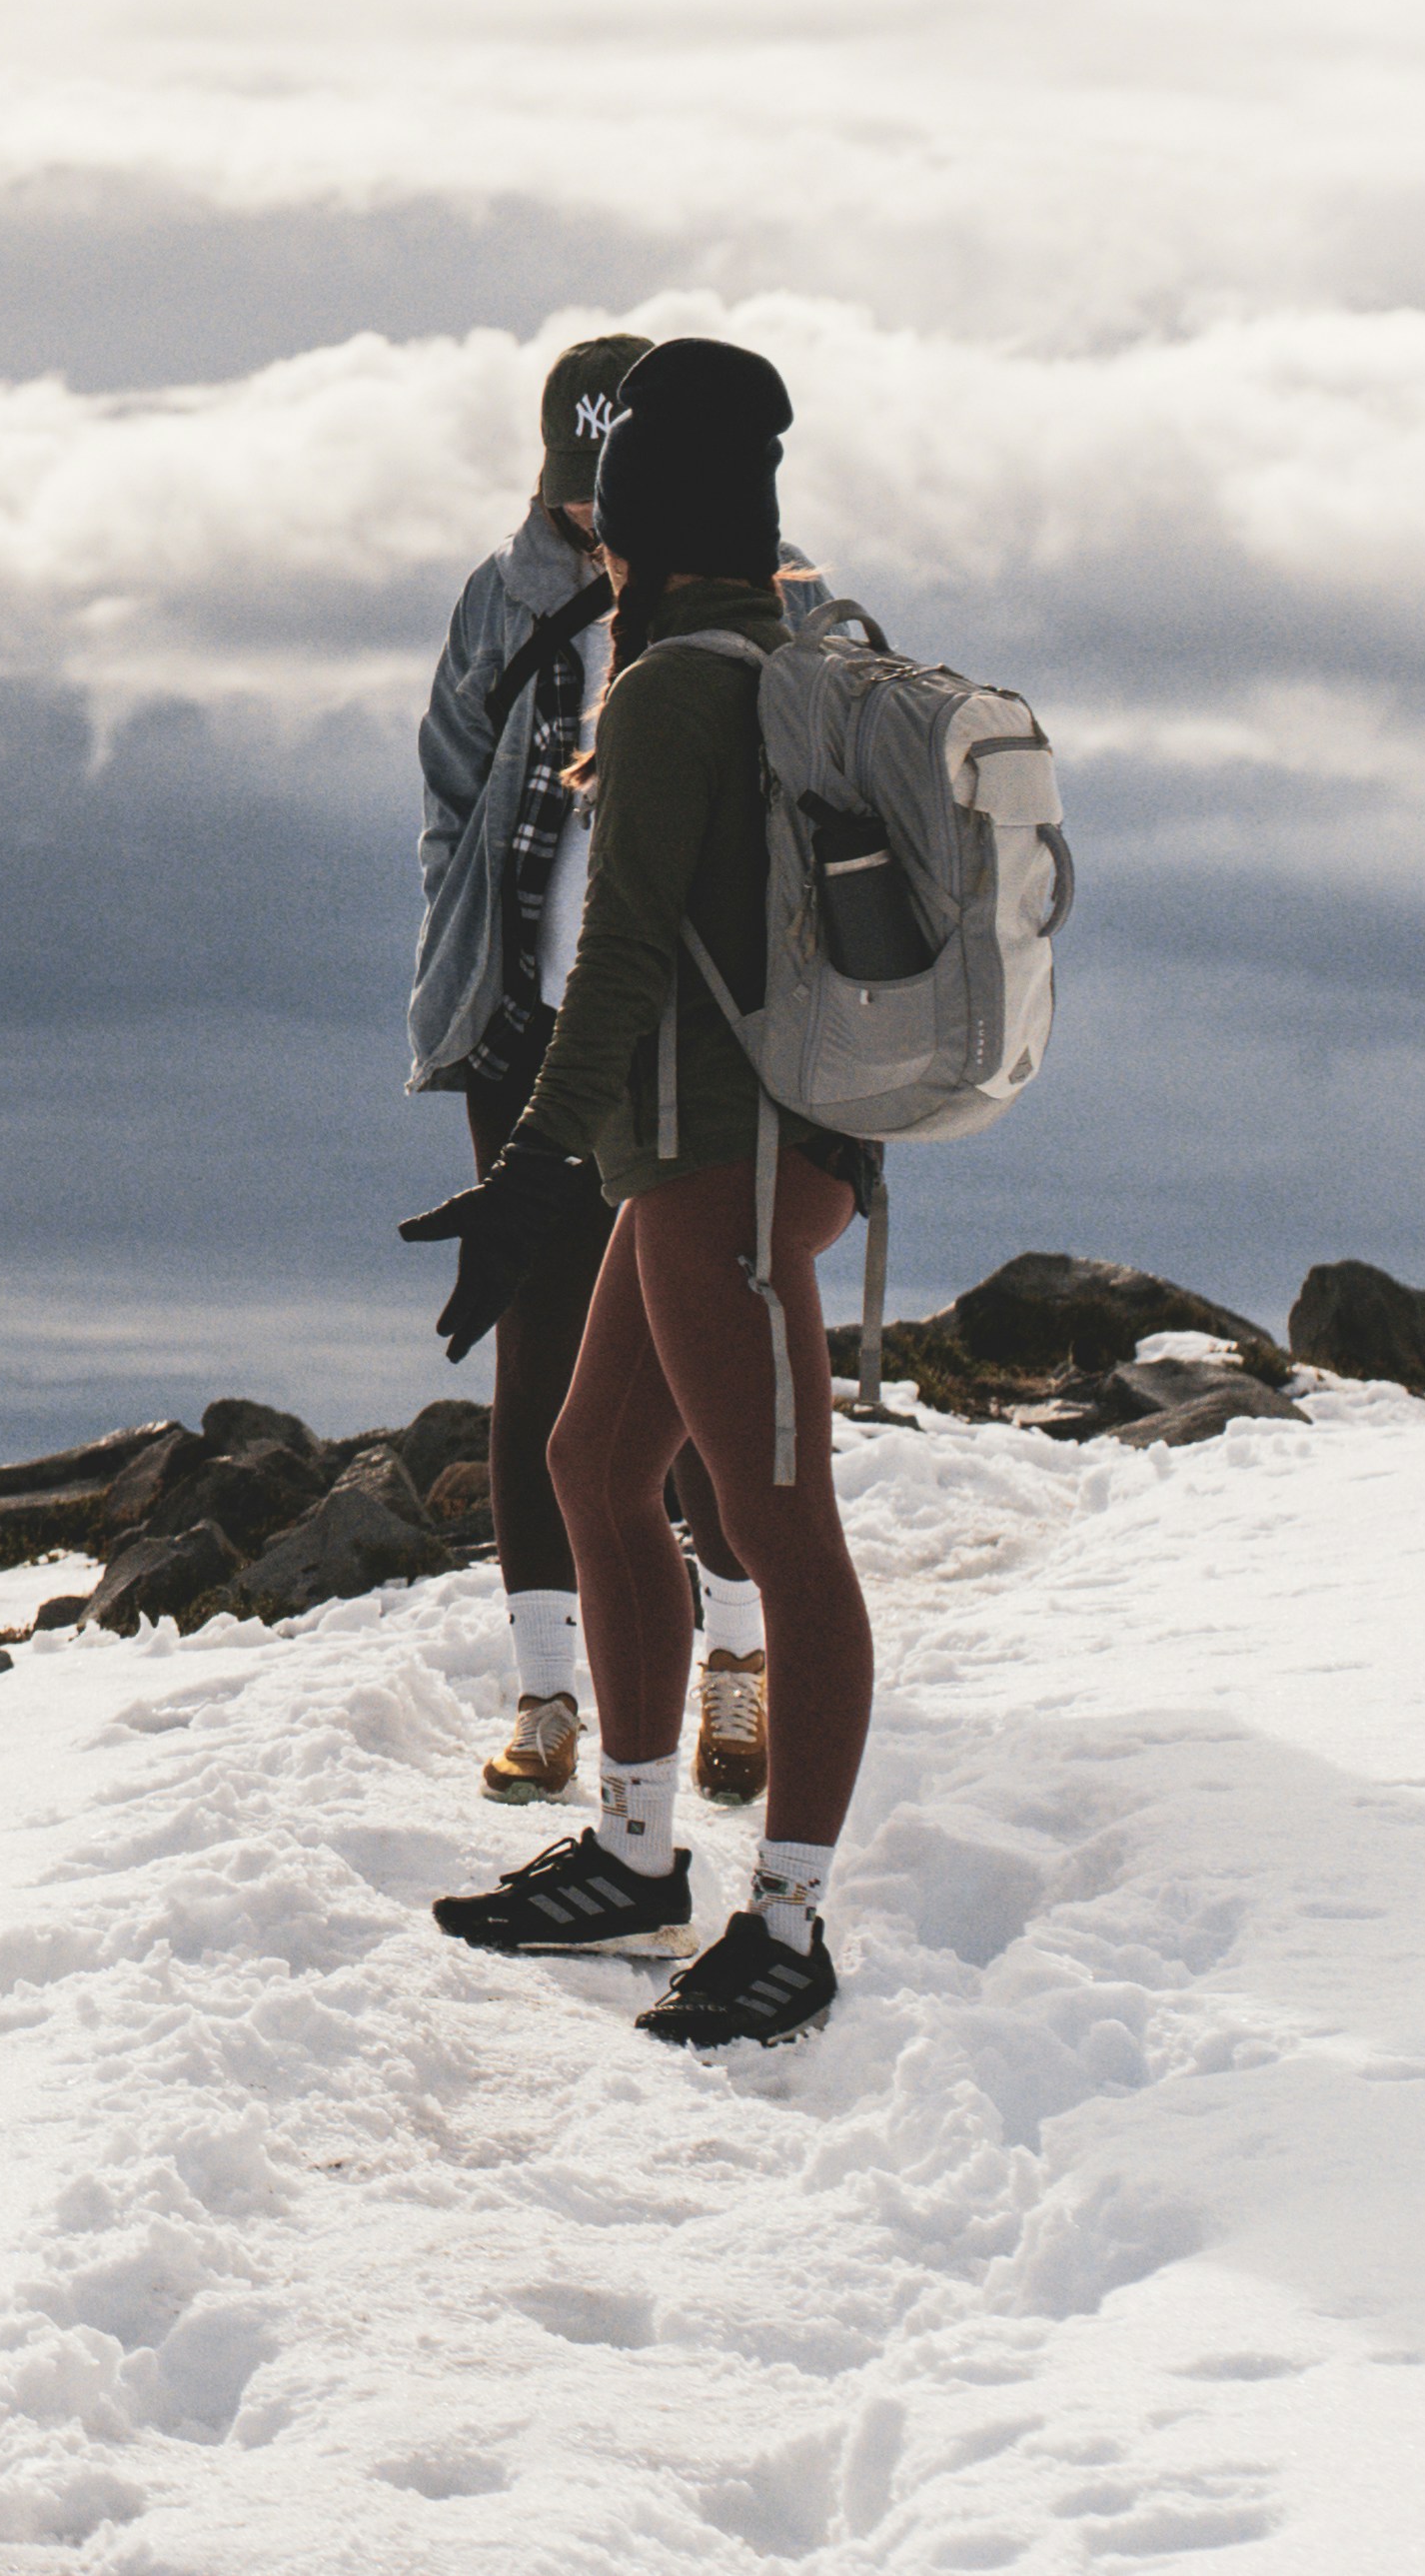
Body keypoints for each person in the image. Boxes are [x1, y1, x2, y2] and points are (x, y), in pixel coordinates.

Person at [404, 335, 880, 2049]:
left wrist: (534, 1169)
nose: (591, 541)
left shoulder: (679, 687)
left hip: (720, 1169)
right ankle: (630, 1852)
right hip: (737, 1155)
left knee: (781, 1527)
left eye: (612, 517)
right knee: (595, 1461)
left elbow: (613, 973)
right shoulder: (797, 651)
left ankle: (793, 1922)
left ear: (646, 520)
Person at [401, 337, 779, 1817]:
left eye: (603, 499)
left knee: (695, 1372)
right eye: (570, 498)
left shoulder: (752, 600)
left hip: (693, 1054)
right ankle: (548, 1690)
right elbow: (448, 798)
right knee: (541, 1356)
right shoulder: (502, 609)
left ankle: (734, 1664)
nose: (587, 526)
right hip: (532, 1033)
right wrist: (479, 969)